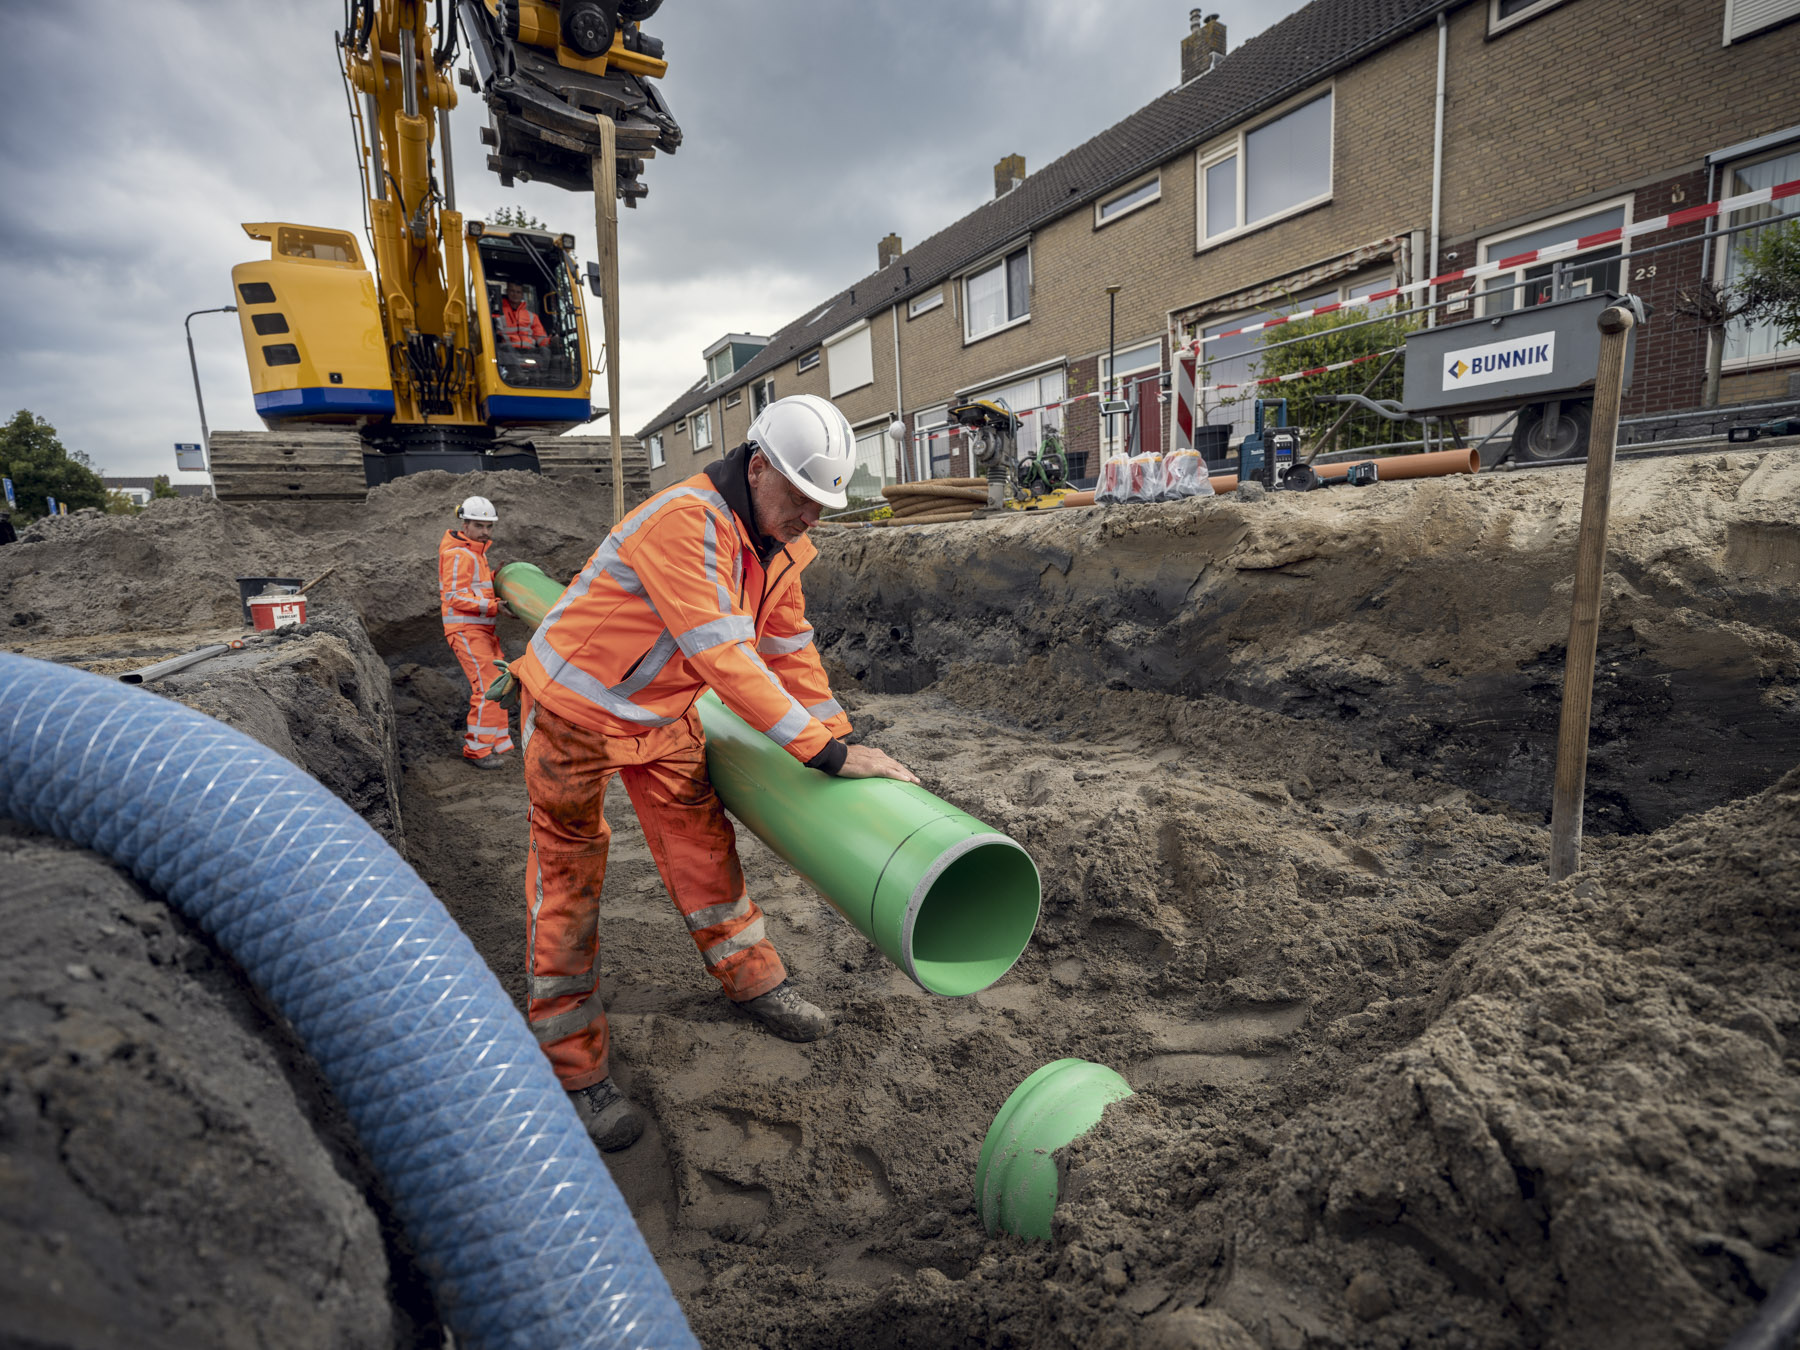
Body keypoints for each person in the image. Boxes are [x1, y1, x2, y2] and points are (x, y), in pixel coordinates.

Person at [507, 393, 919, 1151]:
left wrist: (840, 739)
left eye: (823, 504)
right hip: (575, 714)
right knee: (568, 883)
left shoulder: (780, 545)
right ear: (757, 467)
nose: (810, 517)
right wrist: (823, 754)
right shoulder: (684, 522)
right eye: (801, 497)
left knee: (705, 853)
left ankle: (754, 981)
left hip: (663, 717)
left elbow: (789, 650)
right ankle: (573, 1066)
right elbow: (724, 654)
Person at [439, 495, 514, 768]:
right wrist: (494, 606)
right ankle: (477, 750)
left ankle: (495, 743)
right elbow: (454, 596)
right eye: (479, 526)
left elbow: (473, 588)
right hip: (466, 630)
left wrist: (494, 578)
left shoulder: (475, 553)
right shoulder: (459, 554)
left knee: (500, 682)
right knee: (488, 688)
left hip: (480, 630)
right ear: (465, 525)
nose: (485, 531)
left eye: (489, 526)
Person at [496, 282, 548, 350]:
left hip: (530, 351)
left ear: (522, 295)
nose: (515, 294)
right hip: (506, 351)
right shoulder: (498, 313)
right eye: (512, 291)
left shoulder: (532, 316)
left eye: (518, 292)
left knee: (545, 351)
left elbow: (541, 337)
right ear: (507, 292)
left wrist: (550, 342)